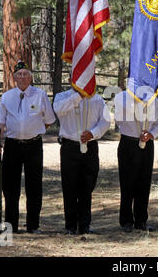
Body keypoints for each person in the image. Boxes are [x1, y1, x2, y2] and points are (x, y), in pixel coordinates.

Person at [0, 60, 55, 234]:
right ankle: (11, 224)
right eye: (19, 74)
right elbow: (0, 123)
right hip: (12, 146)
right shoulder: (7, 96)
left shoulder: (40, 95)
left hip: (33, 145)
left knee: (34, 185)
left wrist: (34, 130)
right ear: (14, 78)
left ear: (31, 77)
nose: (22, 77)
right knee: (10, 186)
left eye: (25, 74)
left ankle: (33, 225)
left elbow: (49, 120)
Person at [53, 83, 110, 235]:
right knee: (69, 186)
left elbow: (105, 121)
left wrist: (93, 133)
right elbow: (58, 110)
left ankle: (85, 224)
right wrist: (79, 96)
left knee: (87, 186)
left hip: (90, 147)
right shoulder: (62, 97)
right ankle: (70, 225)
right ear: (72, 78)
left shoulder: (97, 99)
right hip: (69, 147)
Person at [114, 88, 158, 233]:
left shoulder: (153, 99)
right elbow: (120, 118)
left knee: (144, 182)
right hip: (128, 143)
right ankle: (126, 220)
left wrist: (151, 134)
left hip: (147, 144)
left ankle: (141, 220)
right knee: (127, 182)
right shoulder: (121, 97)